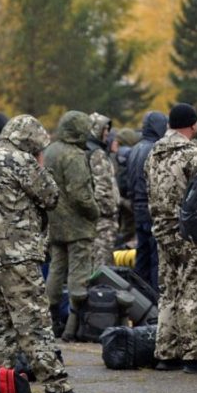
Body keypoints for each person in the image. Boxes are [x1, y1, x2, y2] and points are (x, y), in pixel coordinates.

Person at [0, 114, 93, 393]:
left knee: (1, 323)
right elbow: (51, 196)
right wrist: (40, 166)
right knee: (35, 321)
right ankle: (57, 387)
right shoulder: (21, 160)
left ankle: (2, 385)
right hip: (19, 253)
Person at [146, 104, 197, 373]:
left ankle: (166, 351)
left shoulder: (153, 153)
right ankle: (194, 353)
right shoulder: (193, 155)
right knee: (195, 290)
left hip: (161, 230)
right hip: (189, 231)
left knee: (169, 290)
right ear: (193, 126)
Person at [42, 111, 101, 341]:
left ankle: (52, 320)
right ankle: (74, 327)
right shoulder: (75, 155)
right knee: (79, 274)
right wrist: (94, 212)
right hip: (77, 225)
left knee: (56, 270)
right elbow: (80, 194)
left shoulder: (50, 151)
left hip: (55, 222)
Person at [126, 111, 168, 291]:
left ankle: (139, 299)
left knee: (141, 259)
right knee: (155, 259)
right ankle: (154, 301)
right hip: (152, 210)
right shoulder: (155, 149)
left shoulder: (136, 148)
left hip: (138, 209)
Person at [87, 113, 120, 269]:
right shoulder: (97, 154)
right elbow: (103, 188)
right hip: (102, 220)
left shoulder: (89, 150)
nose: (107, 132)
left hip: (94, 218)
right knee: (101, 266)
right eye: (104, 129)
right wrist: (110, 211)